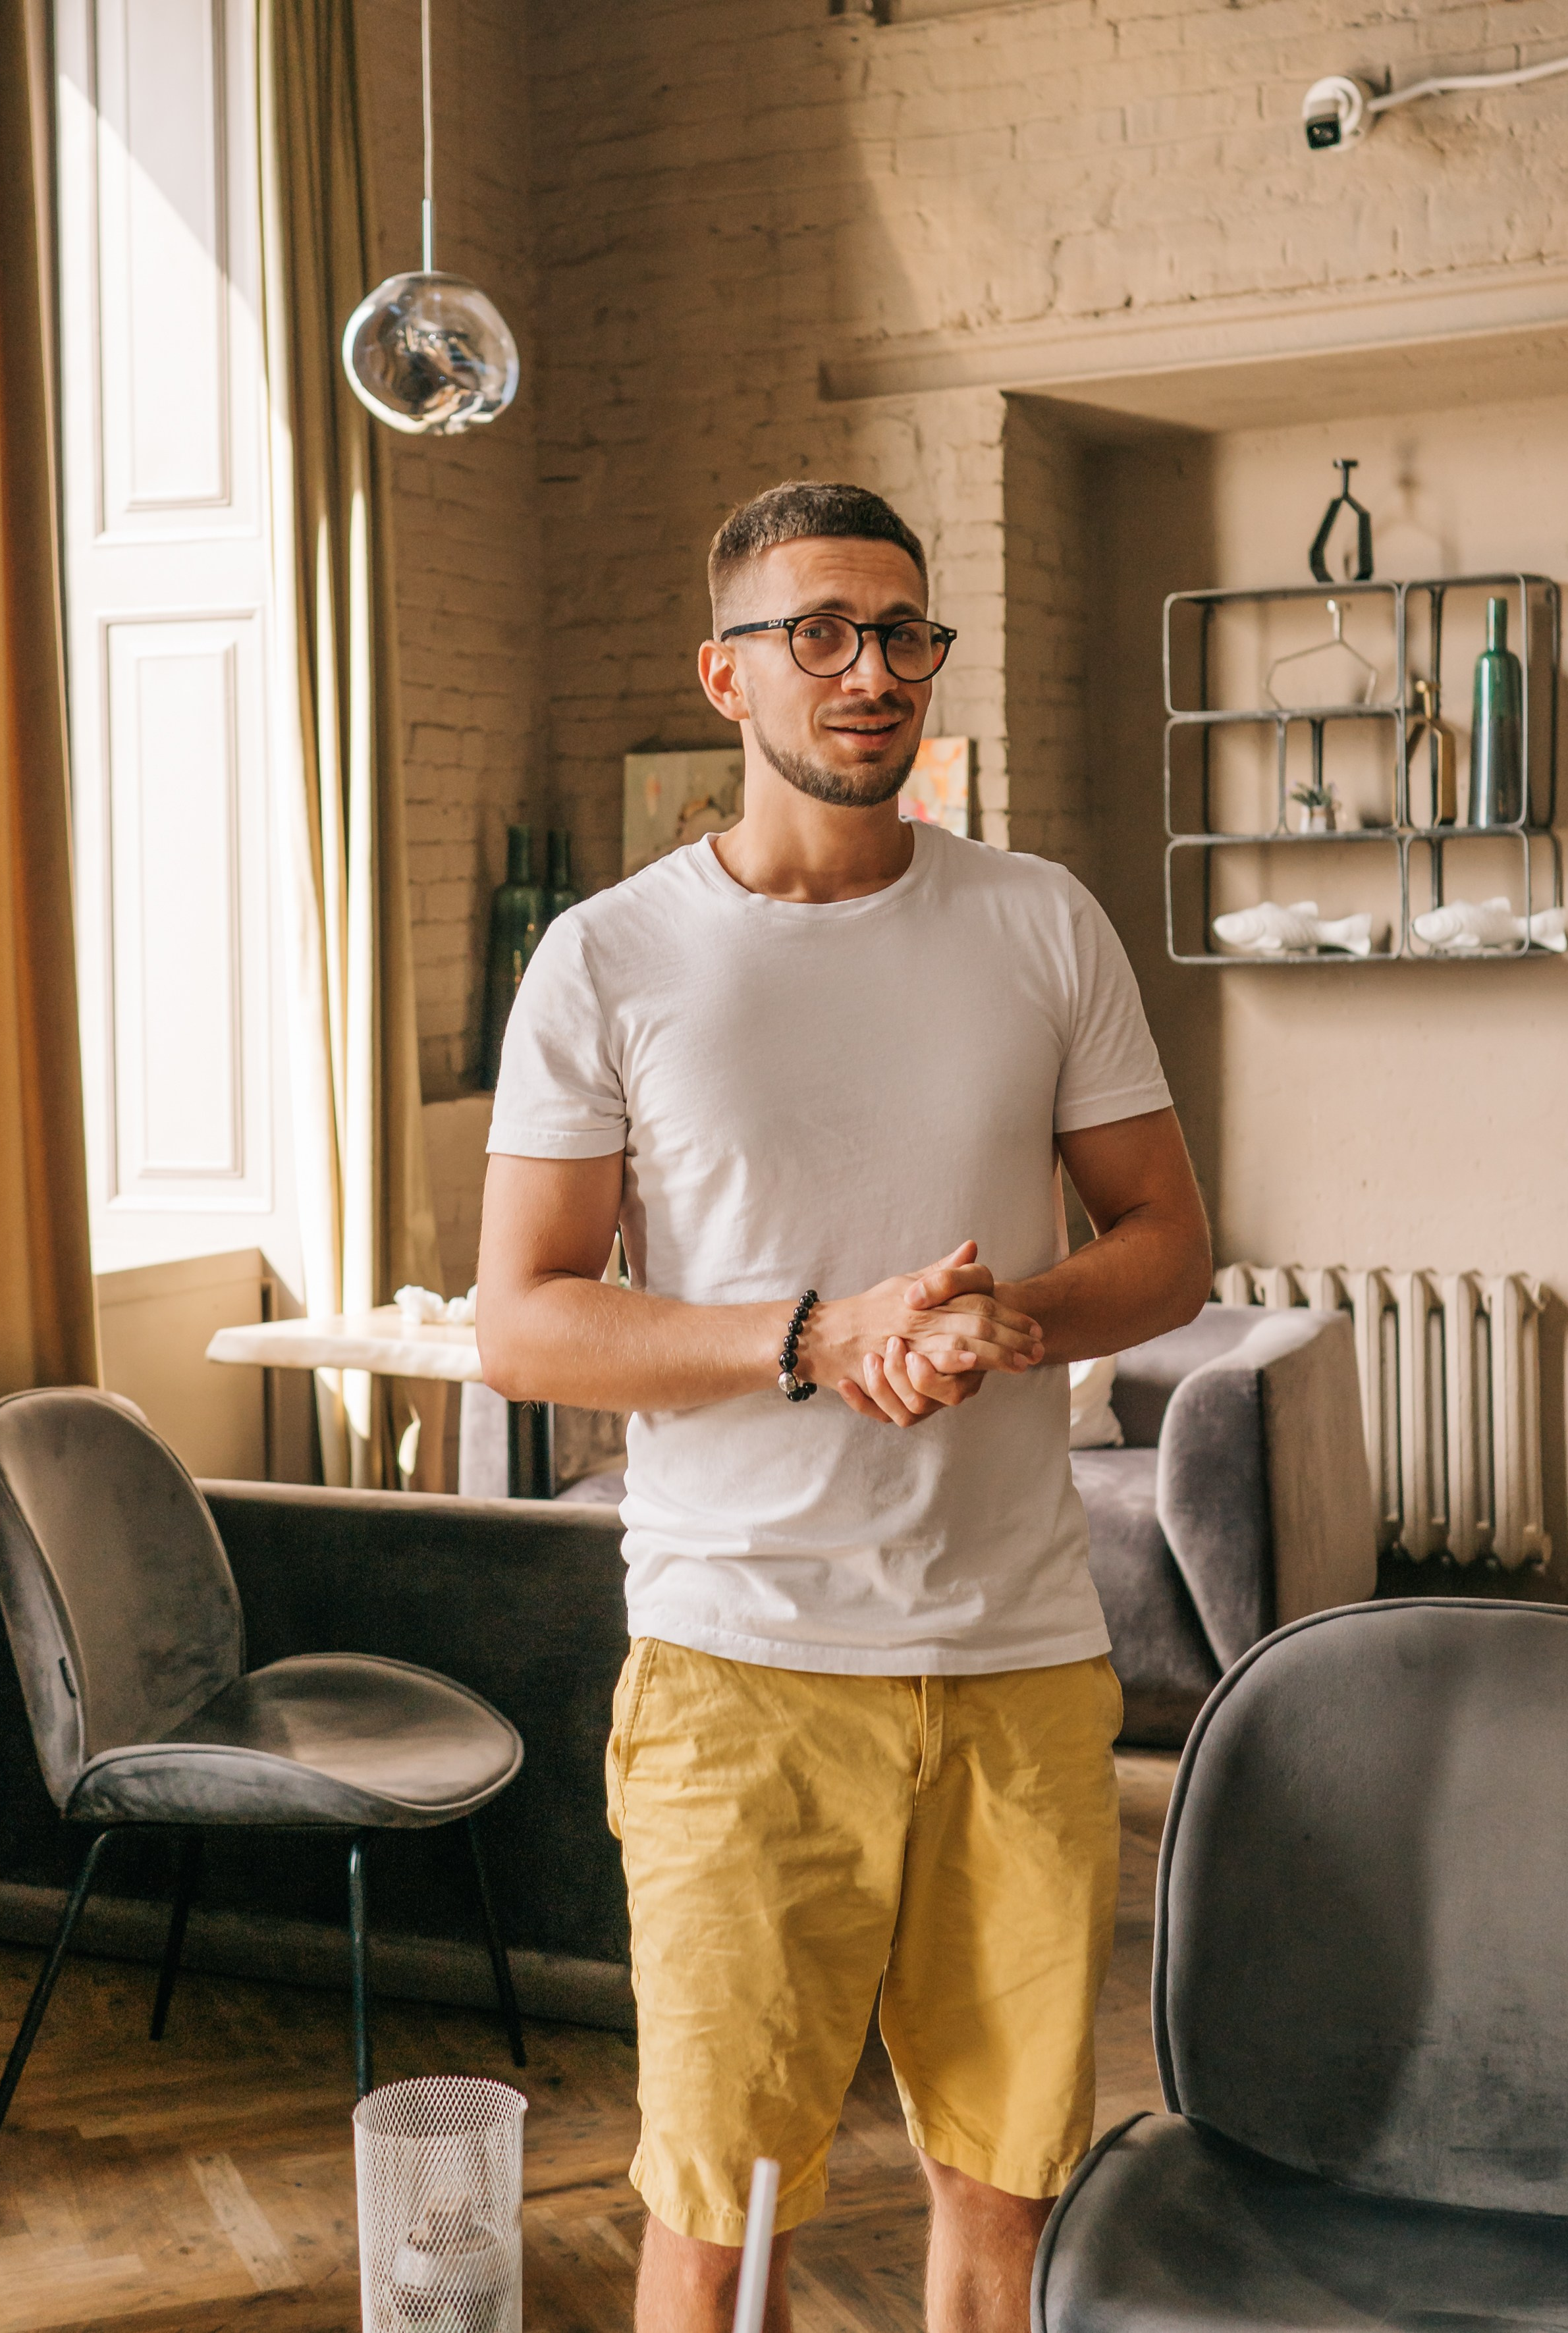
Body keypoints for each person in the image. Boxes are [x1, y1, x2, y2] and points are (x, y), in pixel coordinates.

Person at [476, 481, 1212, 2333]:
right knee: (721, 2222)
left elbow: (1165, 1243)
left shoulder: (1040, 922)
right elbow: (522, 1323)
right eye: (819, 630)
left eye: (899, 632)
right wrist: (818, 1338)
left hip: (1021, 1662)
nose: (868, 669)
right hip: (736, 1667)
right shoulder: (607, 958)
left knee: (1008, 2203)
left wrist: (1008, 1324)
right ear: (724, 674)